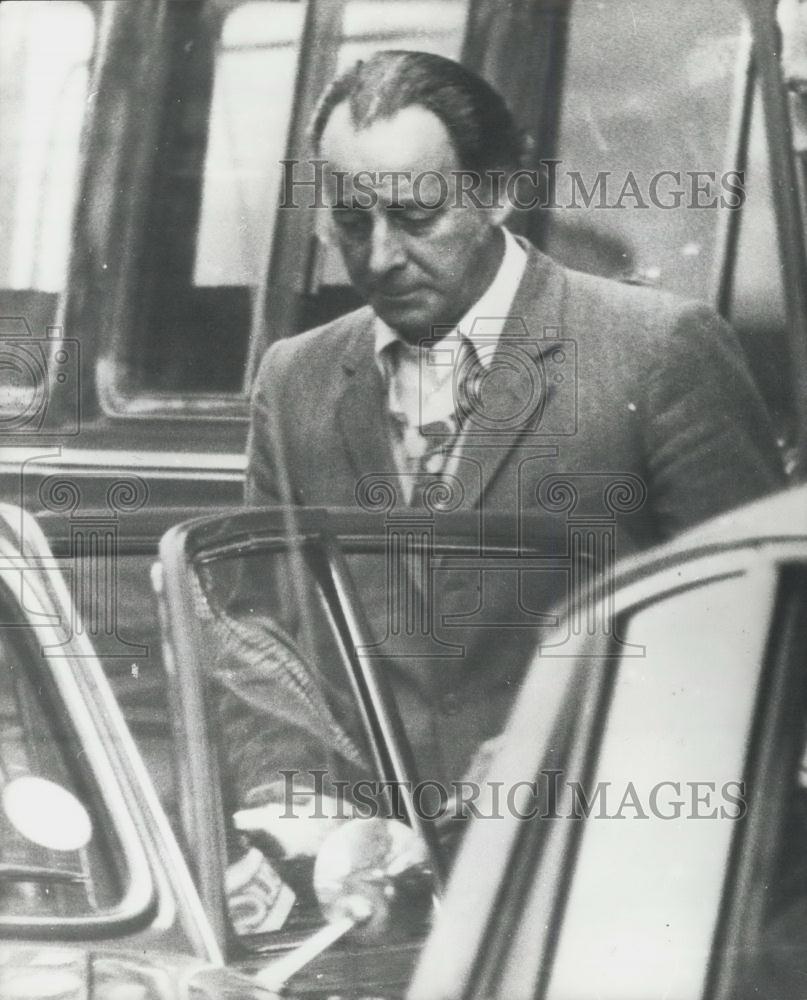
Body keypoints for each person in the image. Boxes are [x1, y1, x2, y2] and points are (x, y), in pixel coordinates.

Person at [237, 50, 783, 851]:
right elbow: (257, 636)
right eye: (351, 222)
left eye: (416, 216)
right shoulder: (294, 378)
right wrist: (299, 818)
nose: (380, 257)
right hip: (361, 895)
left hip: (589, 866)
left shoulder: (658, 350)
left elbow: (760, 633)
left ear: (496, 194)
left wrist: (577, 747)